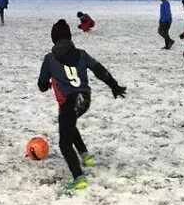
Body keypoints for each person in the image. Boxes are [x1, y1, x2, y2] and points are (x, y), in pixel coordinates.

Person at [37, 19, 126, 191]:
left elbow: (41, 85)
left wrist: (47, 84)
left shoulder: (49, 59)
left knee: (64, 143)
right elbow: (99, 69)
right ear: (70, 37)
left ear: (53, 38)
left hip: (69, 102)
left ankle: (79, 178)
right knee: (70, 125)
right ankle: (85, 155)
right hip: (84, 99)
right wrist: (113, 85)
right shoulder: (82, 54)